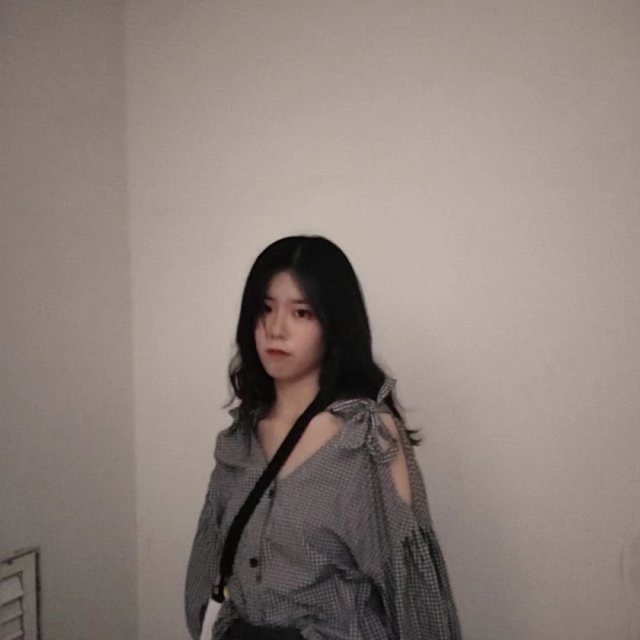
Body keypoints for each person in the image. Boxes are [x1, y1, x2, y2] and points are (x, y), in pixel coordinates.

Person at [185, 235, 462, 640]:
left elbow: (411, 591)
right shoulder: (239, 441)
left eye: (301, 313)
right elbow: (206, 576)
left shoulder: (365, 438)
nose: (276, 329)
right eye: (265, 309)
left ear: (334, 325)